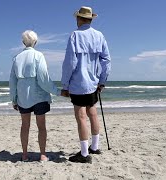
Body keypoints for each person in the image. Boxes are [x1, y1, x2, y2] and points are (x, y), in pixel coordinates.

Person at [61, 6, 111, 163]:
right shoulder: (99, 35)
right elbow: (106, 61)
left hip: (78, 83)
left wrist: (65, 85)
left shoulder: (75, 35)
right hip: (93, 83)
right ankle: (95, 147)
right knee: (93, 113)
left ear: (79, 19)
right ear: (90, 19)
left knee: (81, 116)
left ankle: (84, 154)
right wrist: (102, 81)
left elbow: (70, 63)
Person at [9, 30, 66, 162]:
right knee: (41, 126)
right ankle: (42, 154)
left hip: (23, 97)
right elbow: (43, 79)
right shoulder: (38, 55)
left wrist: (14, 99)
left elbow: (12, 81)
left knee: (25, 125)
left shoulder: (17, 58)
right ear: (36, 42)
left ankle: (24, 155)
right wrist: (57, 91)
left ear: (23, 42)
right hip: (39, 96)